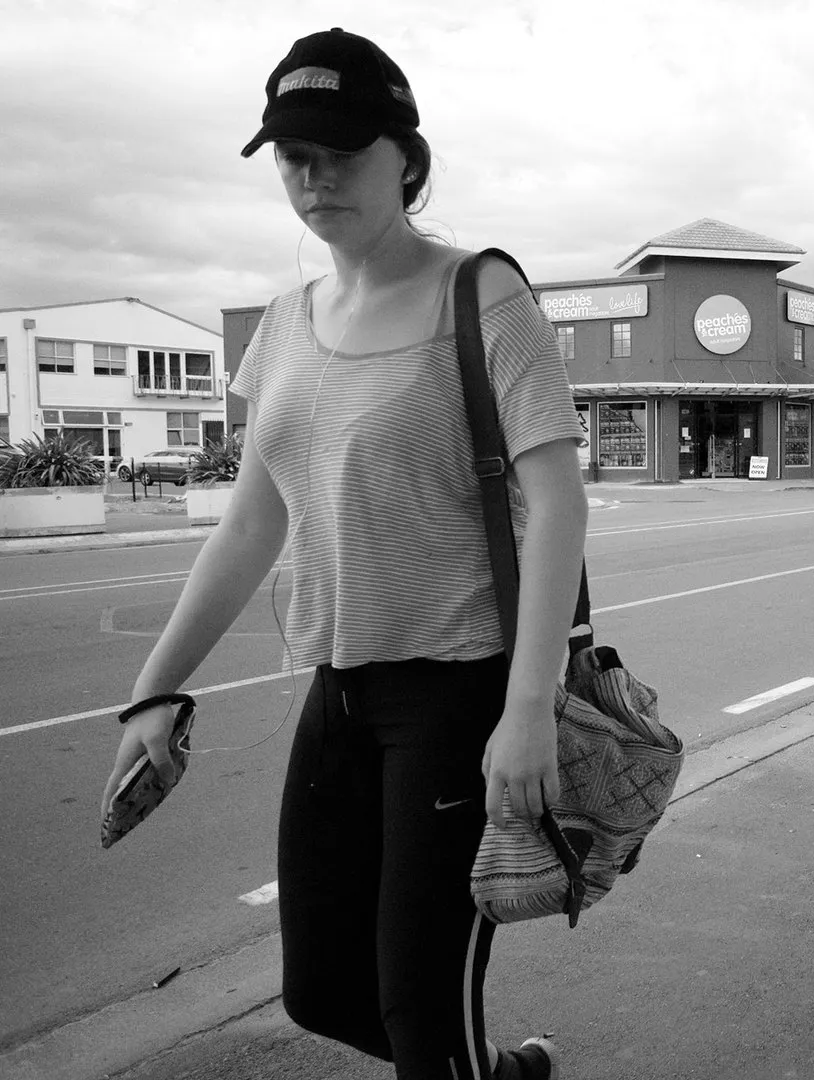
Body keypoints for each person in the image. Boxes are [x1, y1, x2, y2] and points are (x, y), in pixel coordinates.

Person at [100, 29, 586, 1080]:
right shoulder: (283, 324)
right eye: (292, 156)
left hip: (459, 699)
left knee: (419, 1002)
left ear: (404, 158)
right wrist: (153, 694)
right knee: (319, 989)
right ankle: (496, 1074)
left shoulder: (483, 296)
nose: (314, 177)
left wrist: (526, 711)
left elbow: (556, 505)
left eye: (340, 151)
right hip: (338, 692)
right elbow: (249, 523)